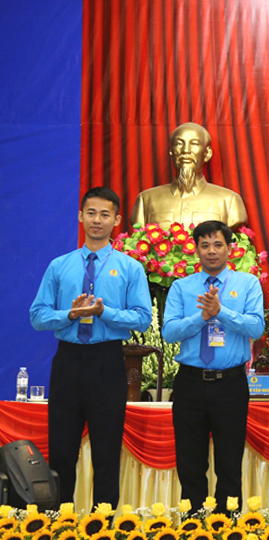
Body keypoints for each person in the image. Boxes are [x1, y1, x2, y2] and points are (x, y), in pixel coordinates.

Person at [29, 186, 151, 506]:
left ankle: (104, 523)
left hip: (107, 361)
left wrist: (103, 312)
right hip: (68, 362)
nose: (97, 220)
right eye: (91, 213)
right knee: (61, 452)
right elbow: (37, 316)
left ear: (117, 220)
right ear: (80, 216)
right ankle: (59, 521)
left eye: (105, 214)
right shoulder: (60, 266)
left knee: (106, 453)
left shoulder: (130, 267)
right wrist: (69, 315)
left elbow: (142, 319)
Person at [161, 220, 264, 512]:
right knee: (190, 463)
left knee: (229, 463)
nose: (211, 251)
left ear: (230, 248)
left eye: (218, 244)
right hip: (190, 384)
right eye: (204, 245)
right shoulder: (181, 287)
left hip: (230, 384)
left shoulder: (247, 284)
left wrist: (222, 312)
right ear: (195, 249)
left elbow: (256, 327)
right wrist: (202, 317)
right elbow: (169, 332)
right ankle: (193, 523)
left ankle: (227, 525)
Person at [131, 122, 247, 228]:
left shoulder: (229, 200)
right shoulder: (146, 200)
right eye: (179, 144)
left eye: (194, 144)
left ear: (207, 153)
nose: (186, 150)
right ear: (171, 152)